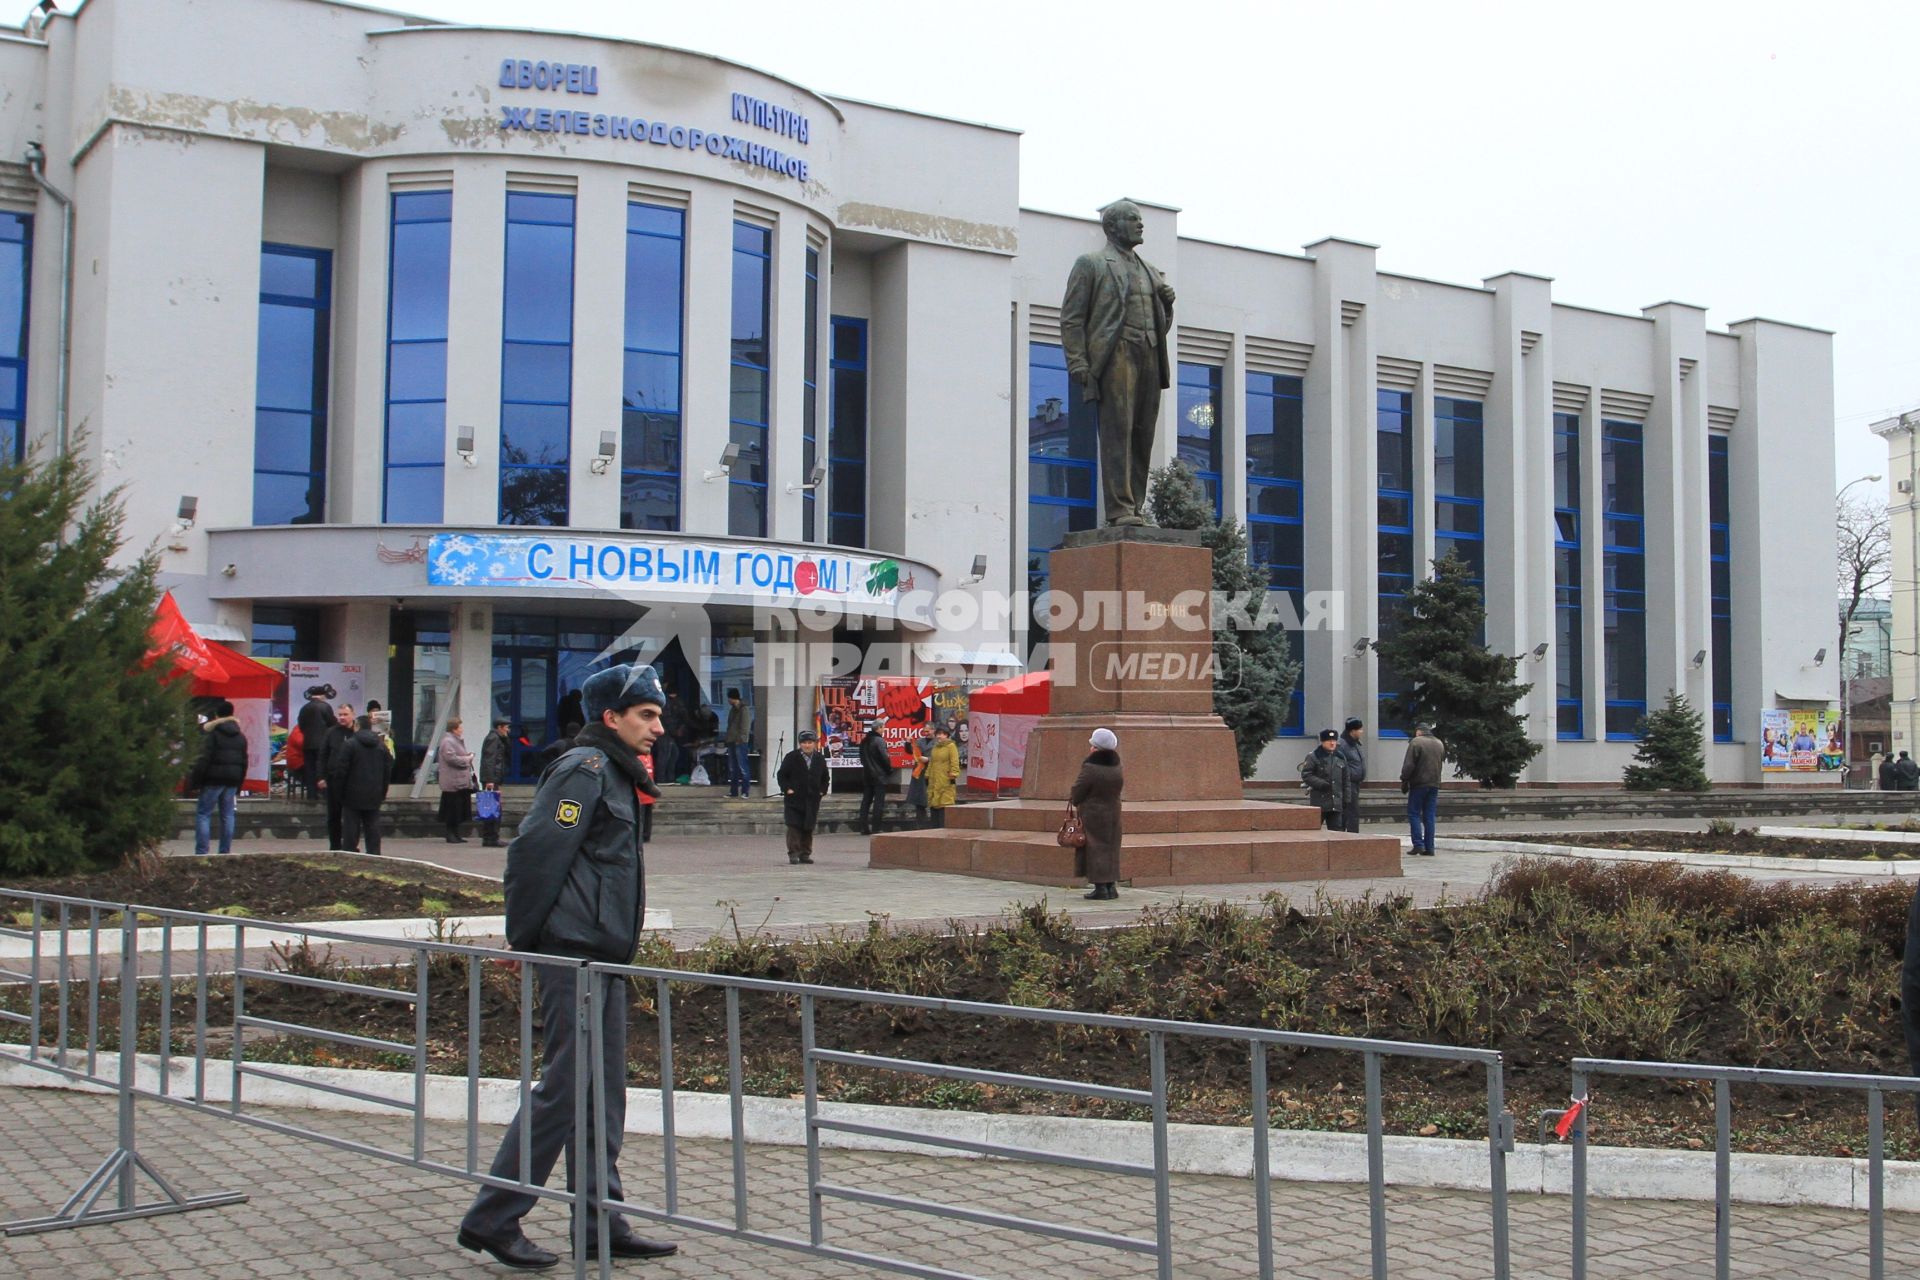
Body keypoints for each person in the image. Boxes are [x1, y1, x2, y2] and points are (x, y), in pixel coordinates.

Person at [458, 663, 676, 1271]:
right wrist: (528, 939)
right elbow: (535, 853)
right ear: (611, 718)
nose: (658, 726)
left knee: (601, 1093)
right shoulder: (584, 771)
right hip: (570, 951)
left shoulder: (615, 771)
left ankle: (599, 1222)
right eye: (647, 715)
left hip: (601, 956)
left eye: (658, 714)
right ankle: (493, 1219)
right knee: (563, 1088)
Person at [1059, 198, 1176, 527]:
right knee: (1118, 431)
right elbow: (1071, 318)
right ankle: (1119, 508)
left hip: (1150, 353)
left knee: (1143, 434)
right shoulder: (1092, 263)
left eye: (1140, 219)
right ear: (1112, 227)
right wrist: (1078, 362)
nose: (1140, 225)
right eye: (1132, 219)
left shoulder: (1151, 271)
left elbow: (1159, 325)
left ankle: (1135, 507)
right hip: (1116, 353)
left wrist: (1166, 307)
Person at [1070, 727, 1125, 900]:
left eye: (1092, 744)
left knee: (1095, 849)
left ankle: (1100, 887)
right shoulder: (1117, 766)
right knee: (1111, 848)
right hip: (1113, 812)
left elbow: (1079, 788)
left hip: (1093, 813)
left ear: (1096, 747)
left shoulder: (1091, 767)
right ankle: (1111, 886)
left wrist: (1074, 799)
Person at [189, 700, 248, 856]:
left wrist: (195, 781)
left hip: (212, 780)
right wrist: (239, 784)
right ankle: (225, 850)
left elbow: (204, 759)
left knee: (204, 814)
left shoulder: (212, 735)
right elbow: (244, 761)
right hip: (232, 780)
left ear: (216, 715)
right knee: (228, 815)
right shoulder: (240, 736)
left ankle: (202, 851)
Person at [329, 714, 391, 856]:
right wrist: (383, 791)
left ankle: (350, 854)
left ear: (357, 726)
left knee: (351, 827)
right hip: (374, 792)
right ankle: (374, 854)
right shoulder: (381, 746)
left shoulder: (349, 744)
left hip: (352, 793)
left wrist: (338, 792)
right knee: (373, 826)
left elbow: (341, 770)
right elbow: (387, 770)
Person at [777, 729, 830, 864]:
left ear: (814, 744)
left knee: (808, 826)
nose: (807, 745)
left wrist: (821, 791)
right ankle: (793, 853)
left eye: (810, 742)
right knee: (794, 826)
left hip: (812, 799)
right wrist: (787, 789)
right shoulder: (792, 757)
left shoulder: (819, 759)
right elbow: (782, 775)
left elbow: (825, 778)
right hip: (794, 799)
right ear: (800, 744)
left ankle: (805, 853)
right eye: (804, 743)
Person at [1401, 721, 1447, 856]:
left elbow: (1409, 765)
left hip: (1419, 784)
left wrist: (1404, 779)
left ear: (1419, 731)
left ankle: (1418, 844)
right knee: (1429, 815)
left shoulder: (1416, 742)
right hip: (1434, 784)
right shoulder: (1439, 743)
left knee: (1414, 813)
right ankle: (1430, 847)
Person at [315, 703, 355, 851]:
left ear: (353, 715)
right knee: (333, 815)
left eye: (345, 714)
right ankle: (335, 845)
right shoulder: (331, 732)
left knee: (351, 816)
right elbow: (323, 756)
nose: (342, 717)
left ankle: (350, 846)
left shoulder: (357, 732)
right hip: (333, 780)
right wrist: (321, 777)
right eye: (340, 715)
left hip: (352, 781)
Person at [1299, 729, 1348, 830]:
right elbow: (1306, 774)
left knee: (1337, 831)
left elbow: (1346, 779)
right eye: (1329, 741)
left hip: (1336, 803)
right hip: (1319, 801)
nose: (1332, 743)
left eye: (1334, 740)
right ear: (1322, 742)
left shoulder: (1340, 757)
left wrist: (1346, 798)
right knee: (1314, 830)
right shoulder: (1313, 756)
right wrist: (1321, 784)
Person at [437, 717, 476, 843]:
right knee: (452, 810)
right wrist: (467, 759)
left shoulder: (456, 741)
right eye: (460, 727)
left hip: (459, 782)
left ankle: (456, 833)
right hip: (452, 782)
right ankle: (450, 834)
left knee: (459, 809)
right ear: (454, 729)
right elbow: (451, 759)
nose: (462, 729)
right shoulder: (448, 741)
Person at [294, 684, 335, 801]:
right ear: (322, 695)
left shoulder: (304, 708)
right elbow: (331, 724)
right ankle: (324, 793)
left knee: (310, 769)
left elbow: (301, 726)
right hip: (323, 744)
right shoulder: (326, 707)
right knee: (322, 769)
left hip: (307, 744)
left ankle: (311, 795)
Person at [480, 715, 511, 847]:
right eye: (506, 728)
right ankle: (491, 837)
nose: (508, 730)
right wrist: (490, 779)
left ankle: (491, 837)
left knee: (492, 807)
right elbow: (489, 759)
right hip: (491, 779)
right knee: (492, 808)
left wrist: (505, 739)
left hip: (493, 778)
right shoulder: (493, 739)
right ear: (499, 727)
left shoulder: (498, 738)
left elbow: (507, 752)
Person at [858, 718, 891, 835]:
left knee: (866, 801)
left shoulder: (864, 741)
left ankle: (863, 827)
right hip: (879, 775)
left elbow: (862, 758)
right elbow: (884, 758)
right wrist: (888, 770)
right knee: (878, 802)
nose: (884, 730)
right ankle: (876, 827)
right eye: (883, 728)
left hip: (867, 774)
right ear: (879, 728)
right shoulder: (879, 741)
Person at [1336, 717, 1367, 834]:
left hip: (1355, 783)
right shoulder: (1342, 745)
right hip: (1347, 784)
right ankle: (1351, 839)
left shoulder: (1355, 744)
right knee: (1351, 812)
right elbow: (1339, 765)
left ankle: (1349, 837)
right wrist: (1348, 776)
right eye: (1360, 729)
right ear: (1352, 731)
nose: (1362, 731)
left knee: (1350, 812)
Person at [926, 724, 962, 828]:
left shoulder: (951, 747)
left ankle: (943, 829)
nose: (939, 736)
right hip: (934, 781)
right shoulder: (935, 748)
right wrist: (927, 775)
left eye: (942, 734)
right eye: (938, 734)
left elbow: (955, 763)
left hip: (945, 781)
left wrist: (953, 775)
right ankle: (934, 829)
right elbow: (931, 763)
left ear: (947, 735)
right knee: (934, 804)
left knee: (944, 804)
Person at [724, 688, 753, 798]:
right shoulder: (733, 709)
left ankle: (745, 791)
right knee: (733, 768)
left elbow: (745, 726)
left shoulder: (743, 709)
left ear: (732, 698)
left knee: (743, 767)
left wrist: (740, 739)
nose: (728, 700)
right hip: (732, 741)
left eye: (729, 698)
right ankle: (734, 791)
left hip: (740, 742)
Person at [906, 728, 932, 827]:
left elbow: (941, 757)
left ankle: (934, 825)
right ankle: (920, 824)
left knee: (931, 800)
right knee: (920, 800)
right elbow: (910, 751)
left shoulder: (937, 743)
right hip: (919, 773)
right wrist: (908, 743)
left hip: (931, 772)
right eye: (925, 730)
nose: (927, 732)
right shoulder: (919, 741)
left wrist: (928, 759)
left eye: (929, 730)